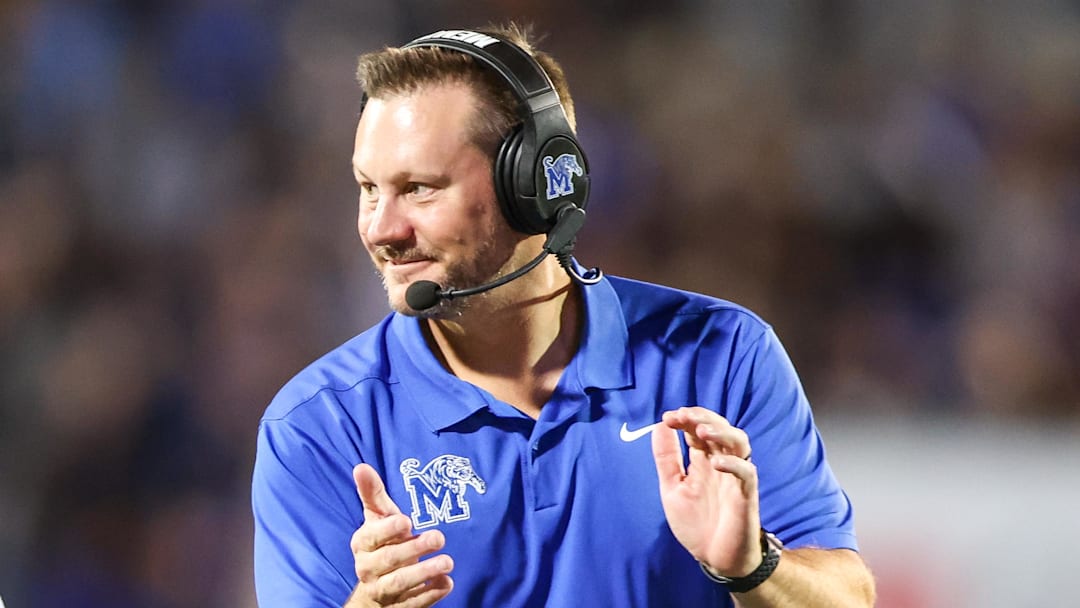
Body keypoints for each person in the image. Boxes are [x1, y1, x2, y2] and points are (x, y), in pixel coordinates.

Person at [252, 24, 876, 608]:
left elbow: (851, 596)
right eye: (368, 189)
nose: (382, 229)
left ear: (535, 187)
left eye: (420, 189)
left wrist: (753, 566)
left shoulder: (722, 354)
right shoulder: (317, 426)